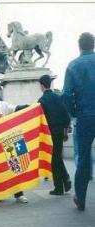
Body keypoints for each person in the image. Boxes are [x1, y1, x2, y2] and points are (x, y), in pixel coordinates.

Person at [62, 32, 95, 211]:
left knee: (83, 159)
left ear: (79, 46)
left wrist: (75, 112)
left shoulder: (73, 66)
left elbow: (66, 95)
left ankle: (80, 198)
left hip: (84, 117)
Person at [38, 75, 71, 195]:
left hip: (49, 133)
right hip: (59, 132)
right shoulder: (58, 98)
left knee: (54, 159)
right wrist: (65, 132)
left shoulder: (42, 101)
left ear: (41, 86)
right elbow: (66, 117)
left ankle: (60, 187)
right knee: (57, 157)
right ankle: (65, 181)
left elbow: (39, 120)